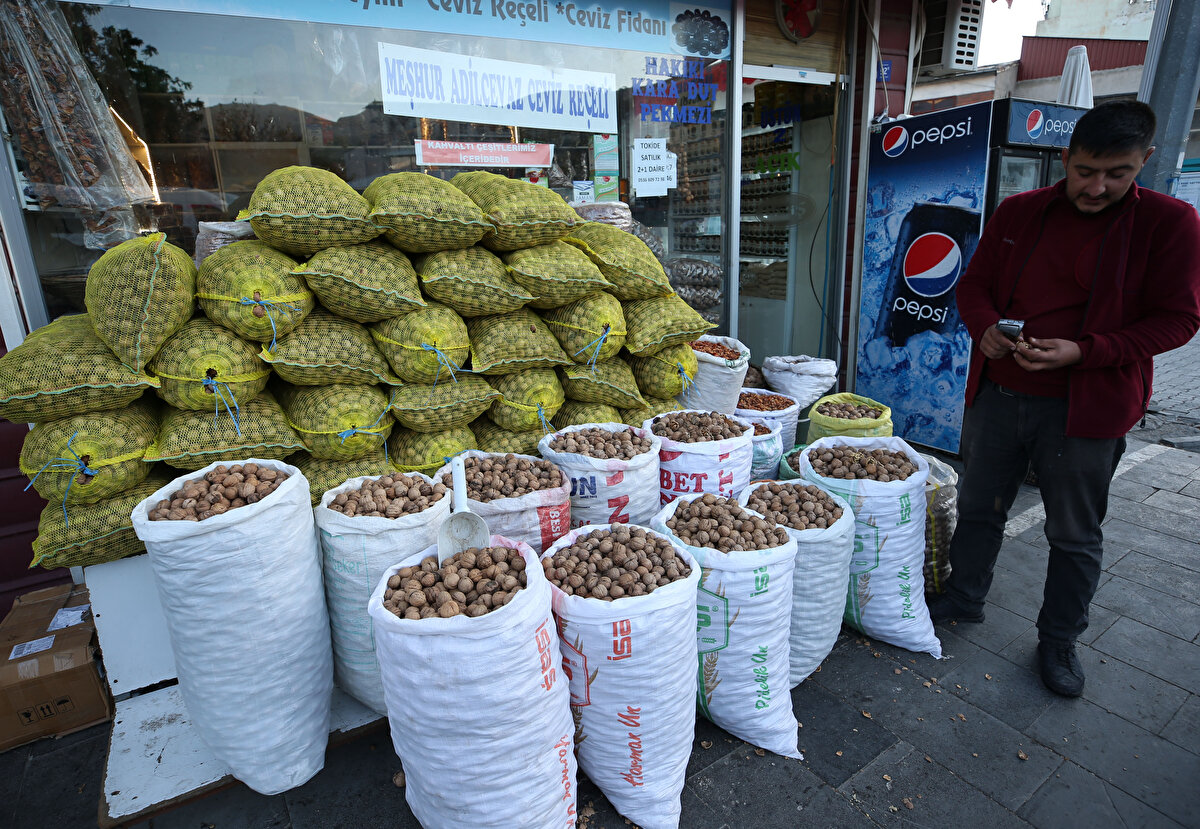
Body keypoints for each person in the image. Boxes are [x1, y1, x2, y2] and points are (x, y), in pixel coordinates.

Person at [928, 100, 1200, 697]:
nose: (1097, 187)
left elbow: (1179, 320)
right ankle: (964, 597)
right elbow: (973, 287)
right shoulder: (1021, 213)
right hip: (999, 394)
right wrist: (986, 329)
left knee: (1074, 534)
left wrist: (1086, 351)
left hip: (1087, 411)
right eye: (1084, 171)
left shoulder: (1170, 223)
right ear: (1064, 158)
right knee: (978, 507)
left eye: (1117, 173)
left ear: (1144, 162)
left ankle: (1059, 640)